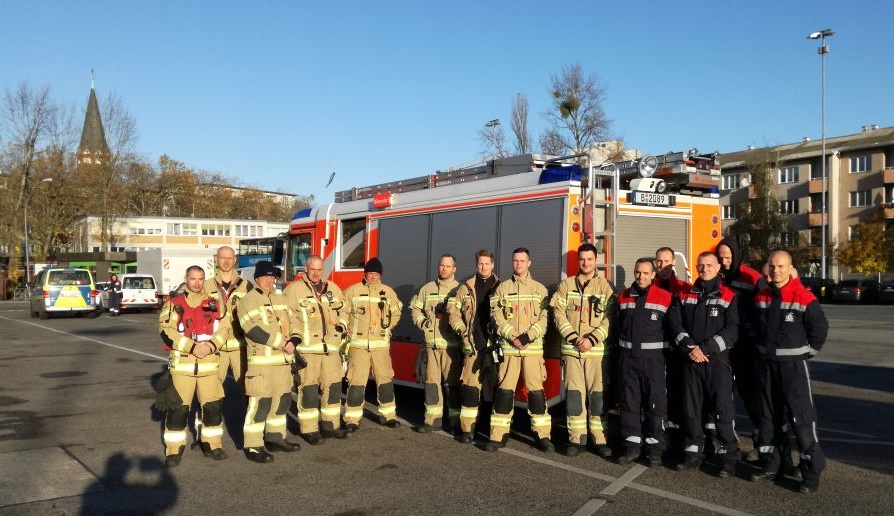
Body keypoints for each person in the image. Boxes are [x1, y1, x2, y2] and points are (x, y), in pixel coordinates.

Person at [751, 250, 828, 494]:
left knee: (802, 420)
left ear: (790, 268)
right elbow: (756, 327)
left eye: (781, 266)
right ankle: (773, 464)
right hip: (767, 367)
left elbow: (819, 329)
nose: (776, 271)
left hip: (793, 368)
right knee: (769, 419)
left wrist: (806, 353)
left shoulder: (804, 297)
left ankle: (811, 472)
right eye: (772, 266)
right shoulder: (762, 296)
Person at [671, 252, 740, 477]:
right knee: (691, 408)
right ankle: (693, 452)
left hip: (717, 363)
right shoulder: (684, 294)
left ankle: (728, 456)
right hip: (691, 362)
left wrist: (706, 349)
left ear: (718, 266)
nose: (704, 269)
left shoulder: (728, 296)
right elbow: (675, 324)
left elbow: (732, 330)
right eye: (700, 265)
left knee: (722, 410)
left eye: (709, 265)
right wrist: (690, 348)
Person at [158, 265, 228, 467]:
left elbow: (225, 328)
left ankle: (212, 444)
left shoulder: (215, 303)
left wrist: (211, 346)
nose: (197, 283)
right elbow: (166, 331)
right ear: (186, 279)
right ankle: (174, 449)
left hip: (209, 366)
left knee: (213, 407)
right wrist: (191, 347)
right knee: (178, 410)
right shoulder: (174, 304)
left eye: (200, 279)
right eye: (193, 279)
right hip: (183, 367)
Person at [484, 248, 552, 453]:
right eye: (515, 260)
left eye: (522, 260)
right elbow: (496, 316)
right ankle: (498, 435)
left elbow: (545, 319)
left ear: (529, 263)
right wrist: (512, 334)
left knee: (537, 394)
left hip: (532, 350)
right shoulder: (501, 288)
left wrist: (528, 336)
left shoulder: (540, 290)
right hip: (510, 349)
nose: (519, 264)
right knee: (504, 392)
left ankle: (543, 436)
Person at [550, 243, 614, 458]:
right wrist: (574, 338)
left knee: (598, 397)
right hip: (571, 351)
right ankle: (576, 440)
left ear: (596, 260)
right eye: (582, 259)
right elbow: (558, 314)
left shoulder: (606, 287)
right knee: (575, 397)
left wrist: (592, 339)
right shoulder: (565, 286)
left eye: (589, 259)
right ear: (578, 261)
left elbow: (610, 318)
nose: (585, 263)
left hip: (596, 353)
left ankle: (600, 439)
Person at [236, 261, 302, 463]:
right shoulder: (248, 300)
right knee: (260, 405)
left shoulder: (281, 298)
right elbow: (252, 329)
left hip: (282, 363)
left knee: (281, 402)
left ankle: (275, 438)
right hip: (262, 364)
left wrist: (295, 339)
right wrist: (283, 342)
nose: (269, 280)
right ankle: (253, 445)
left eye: (272, 277)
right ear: (256, 278)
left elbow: (295, 321)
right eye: (265, 276)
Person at [282, 255, 349, 443]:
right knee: (309, 391)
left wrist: (342, 326)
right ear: (306, 269)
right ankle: (309, 430)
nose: (316, 273)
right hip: (308, 350)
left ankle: (331, 425)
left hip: (331, 350)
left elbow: (344, 309)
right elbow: (285, 316)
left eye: (319, 269)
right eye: (313, 269)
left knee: (334, 388)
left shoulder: (333, 288)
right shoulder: (293, 290)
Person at [615, 258, 675, 466]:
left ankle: (655, 450)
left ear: (653, 275)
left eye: (645, 273)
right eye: (638, 272)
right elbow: (617, 328)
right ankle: (632, 447)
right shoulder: (623, 297)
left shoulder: (665, 298)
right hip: (628, 361)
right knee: (629, 405)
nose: (641, 276)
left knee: (655, 406)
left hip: (654, 363)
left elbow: (672, 329)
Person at [342, 258, 403, 431]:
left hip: (380, 346)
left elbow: (397, 313)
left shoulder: (388, 292)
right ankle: (352, 420)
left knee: (384, 381)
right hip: (358, 346)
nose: (373, 277)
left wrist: (387, 328)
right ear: (365, 274)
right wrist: (345, 327)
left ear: (380, 275)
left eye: (376, 274)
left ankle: (388, 416)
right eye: (371, 273)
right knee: (356, 382)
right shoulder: (352, 291)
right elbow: (342, 312)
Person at [715, 237, 764, 451]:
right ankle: (725, 441)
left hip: (746, 348)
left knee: (753, 397)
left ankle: (762, 444)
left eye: (728, 257)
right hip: (724, 346)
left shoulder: (751, 278)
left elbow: (764, 311)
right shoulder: (717, 278)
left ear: (736, 255)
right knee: (722, 395)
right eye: (721, 257)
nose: (724, 261)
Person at [447, 249, 500, 444]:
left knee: (495, 389)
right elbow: (453, 312)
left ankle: (490, 429)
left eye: (486, 263)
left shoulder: (501, 286)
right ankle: (468, 430)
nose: (483, 267)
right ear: (476, 265)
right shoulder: (466, 287)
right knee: (471, 389)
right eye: (480, 263)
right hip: (473, 345)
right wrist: (462, 330)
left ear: (492, 265)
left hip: (494, 347)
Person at [410, 254, 462, 434]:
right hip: (431, 346)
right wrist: (423, 323)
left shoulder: (460, 289)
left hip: (452, 347)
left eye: (448, 266)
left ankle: (455, 422)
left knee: (452, 385)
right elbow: (416, 309)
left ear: (454, 269)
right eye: (442, 265)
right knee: (432, 384)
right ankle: (433, 420)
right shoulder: (427, 288)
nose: (444, 269)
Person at [654, 247, 691, 453]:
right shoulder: (650, 287)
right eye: (659, 261)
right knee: (659, 394)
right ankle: (662, 434)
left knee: (679, 393)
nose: (662, 265)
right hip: (657, 349)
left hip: (678, 351)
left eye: (666, 261)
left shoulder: (684, 289)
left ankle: (679, 437)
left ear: (673, 262)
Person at [206, 246, 253, 388]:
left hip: (240, 346)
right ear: (216, 259)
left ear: (235, 260)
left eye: (230, 258)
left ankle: (246, 411)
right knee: (211, 389)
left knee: (246, 388)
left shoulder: (246, 286)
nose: (226, 261)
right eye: (222, 257)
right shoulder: (206, 286)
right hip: (215, 346)